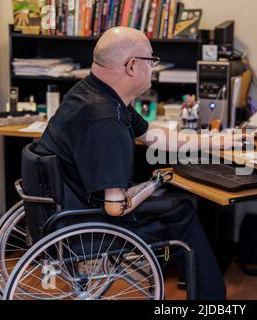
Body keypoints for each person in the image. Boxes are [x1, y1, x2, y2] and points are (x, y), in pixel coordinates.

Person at [34, 27, 244, 300]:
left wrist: (214, 142)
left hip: (64, 210)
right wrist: (156, 182)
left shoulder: (91, 93)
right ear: (132, 66)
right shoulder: (106, 121)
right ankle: (211, 302)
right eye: (151, 61)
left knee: (175, 205)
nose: (153, 68)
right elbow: (115, 207)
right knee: (181, 211)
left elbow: (153, 137)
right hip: (85, 225)